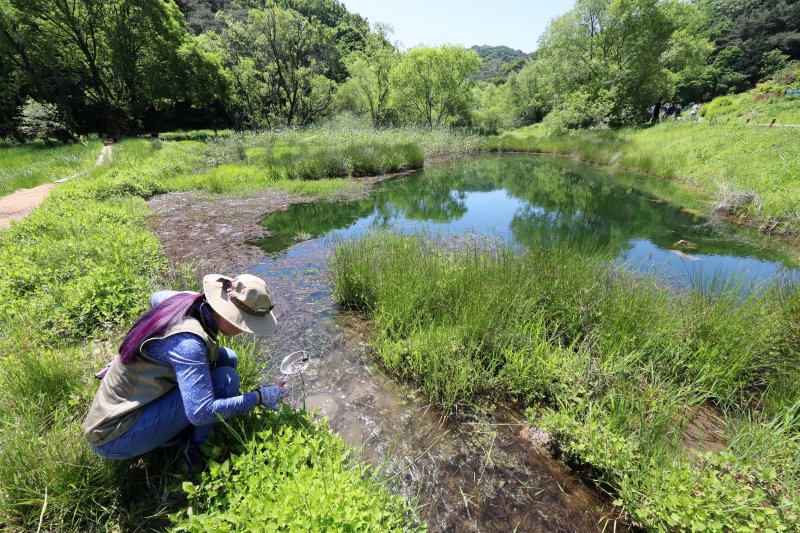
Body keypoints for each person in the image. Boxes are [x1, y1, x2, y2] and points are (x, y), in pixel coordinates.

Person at [83, 273, 285, 462]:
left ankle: (177, 431)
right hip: (114, 437)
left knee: (228, 358)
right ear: (227, 317)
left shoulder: (188, 300)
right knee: (226, 380)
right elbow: (201, 413)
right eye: (244, 325)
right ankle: (192, 451)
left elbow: (156, 297)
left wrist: (137, 351)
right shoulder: (189, 344)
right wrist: (258, 397)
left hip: (125, 405)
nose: (244, 331)